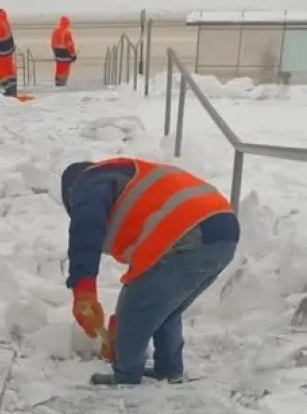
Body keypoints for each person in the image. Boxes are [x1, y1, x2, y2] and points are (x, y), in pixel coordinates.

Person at [60, 157, 240, 385]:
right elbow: (153, 289)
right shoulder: (126, 181)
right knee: (167, 309)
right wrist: (123, 325)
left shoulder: (89, 181)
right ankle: (169, 368)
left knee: (134, 307)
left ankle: (126, 375)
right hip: (223, 233)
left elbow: (86, 229)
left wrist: (84, 291)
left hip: (188, 231)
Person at [51, 16, 77, 87]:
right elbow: (70, 45)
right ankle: (63, 84)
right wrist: (73, 55)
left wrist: (55, 53)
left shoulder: (55, 31)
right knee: (65, 70)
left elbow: (52, 44)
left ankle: (57, 83)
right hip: (65, 54)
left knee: (58, 70)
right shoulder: (67, 32)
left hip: (57, 53)